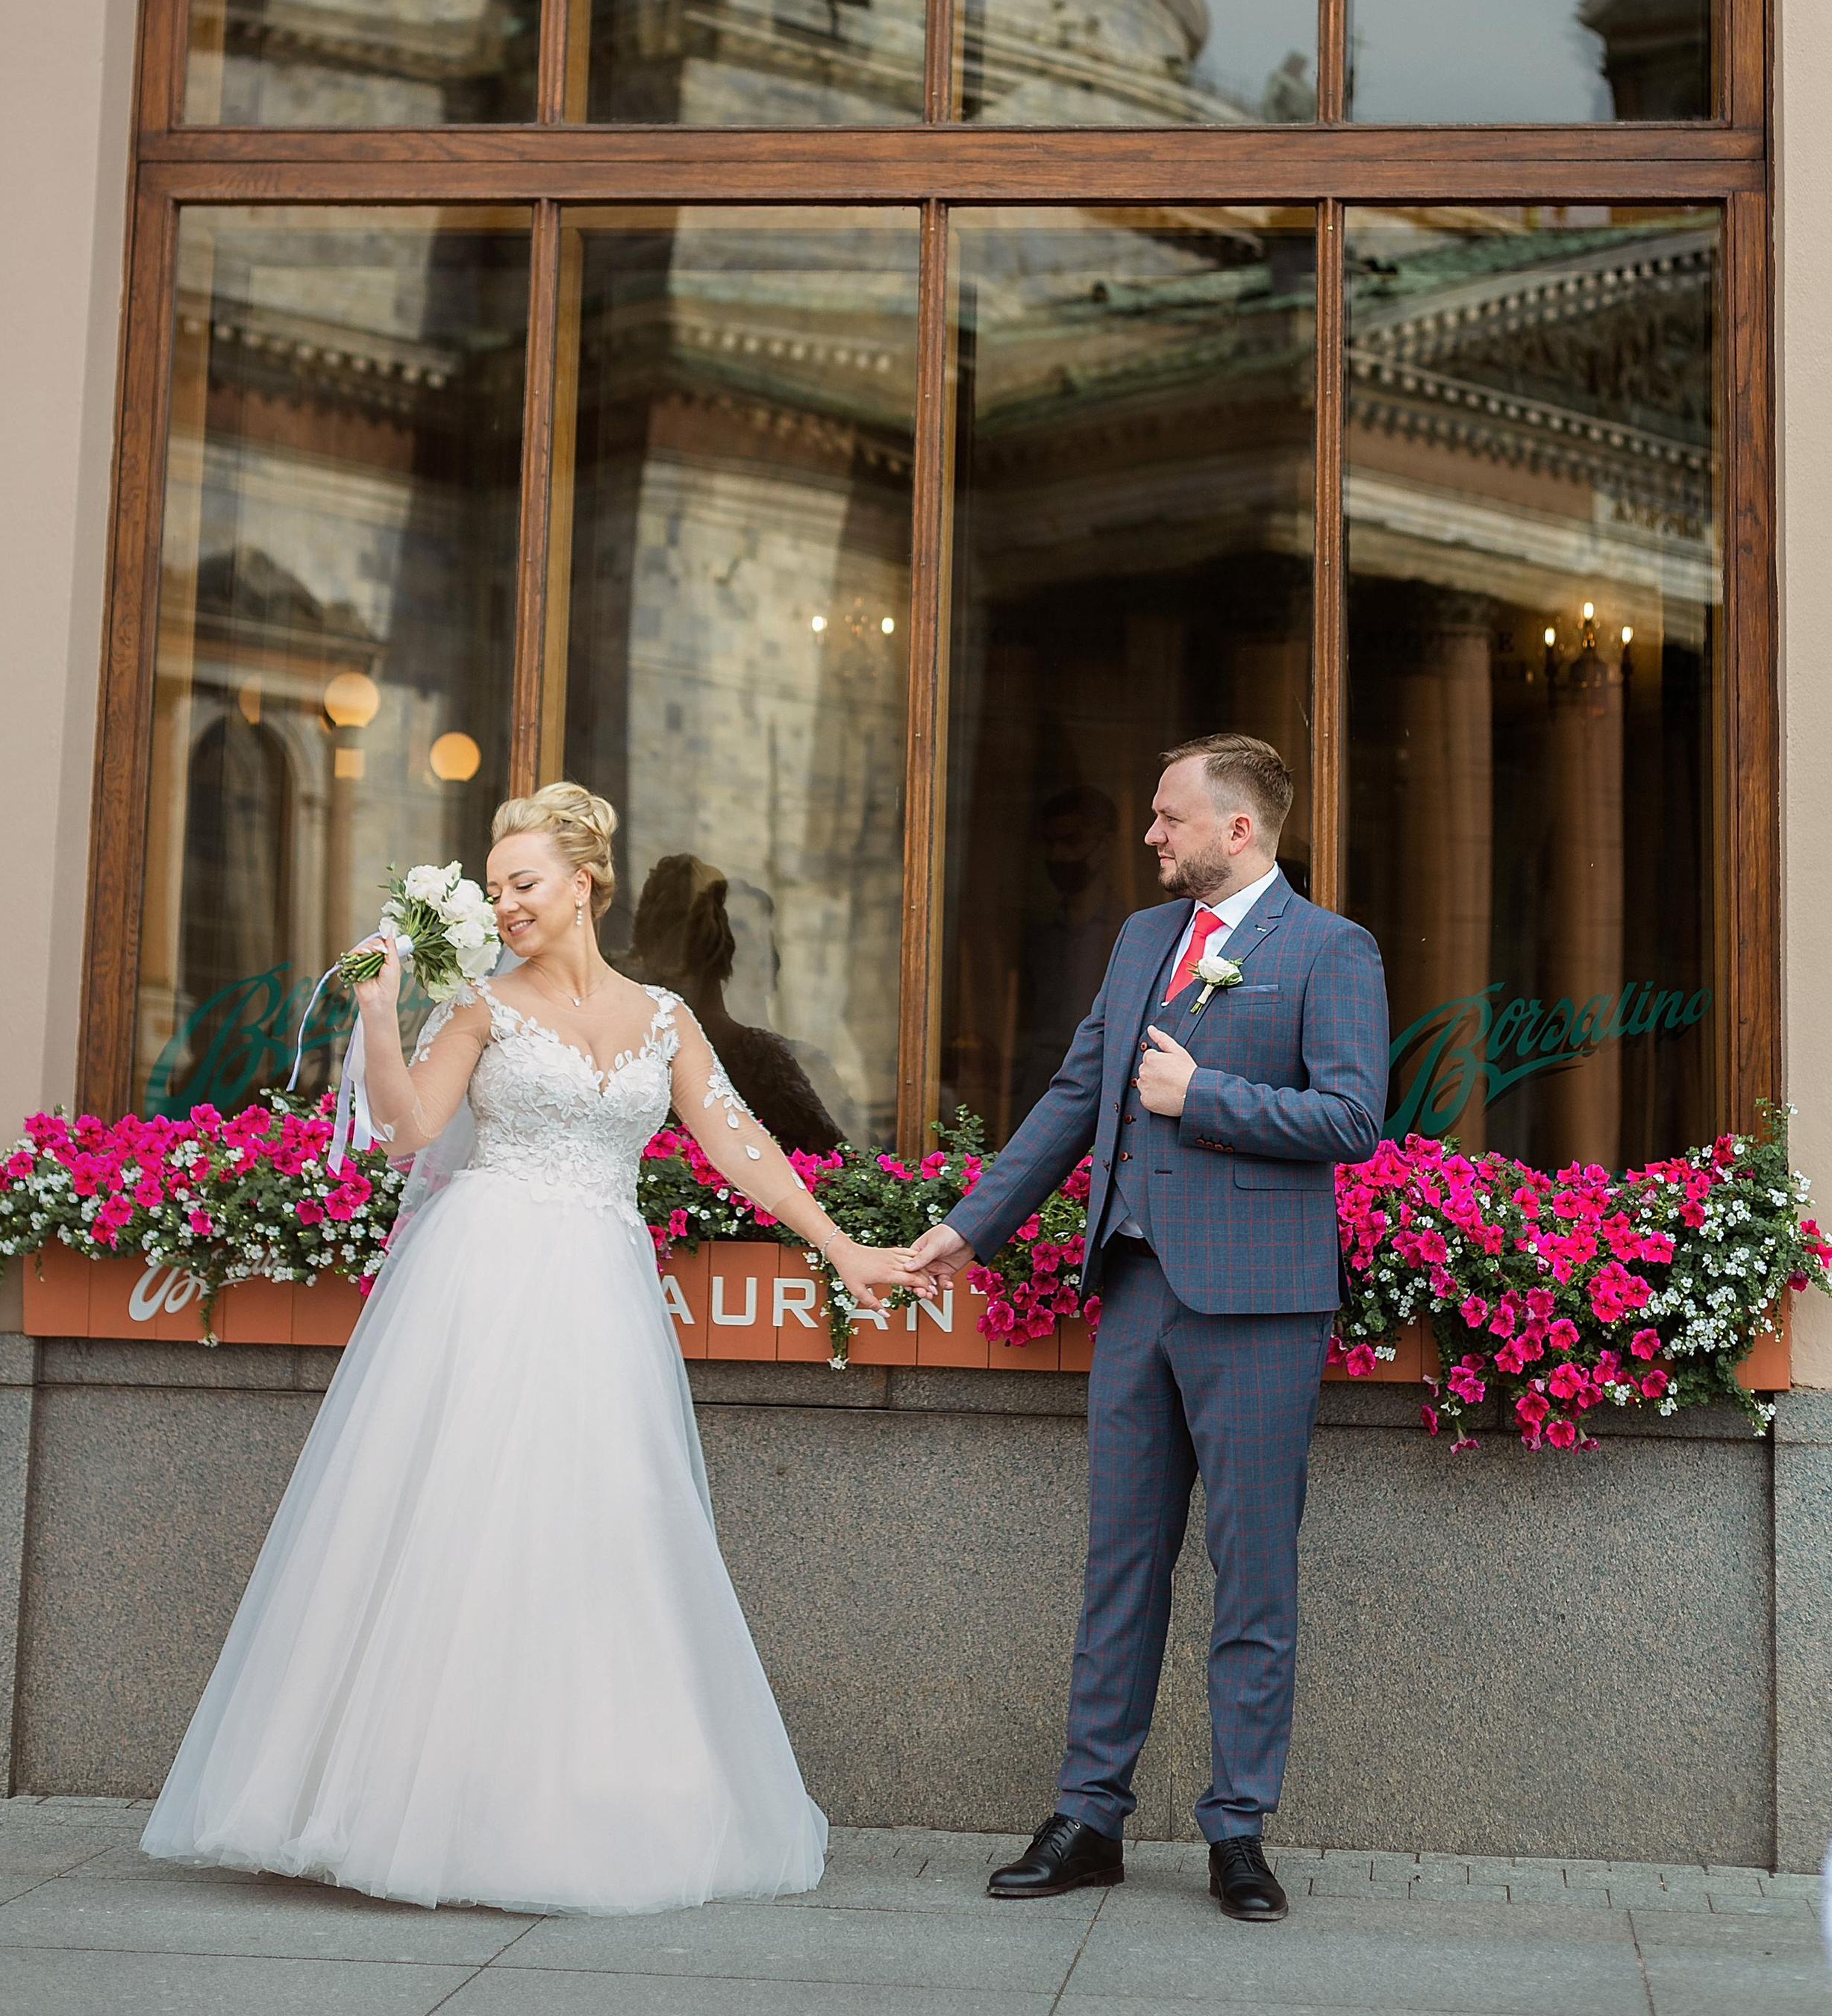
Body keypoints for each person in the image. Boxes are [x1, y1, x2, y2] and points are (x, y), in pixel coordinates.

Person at [143, 780, 929, 1915]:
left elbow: (740, 1142)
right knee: (457, 1525)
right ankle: (407, 1798)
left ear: (585, 885)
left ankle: (580, 1797)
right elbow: (408, 1131)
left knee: (600, 1529)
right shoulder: (477, 1005)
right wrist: (377, 1011)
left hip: (601, 1293)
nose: (504, 902)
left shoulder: (665, 1017)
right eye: (495, 885)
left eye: (524, 883)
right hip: (482, 1278)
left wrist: (840, 1247)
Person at [909, 733, 1388, 1925]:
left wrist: (1202, 1098)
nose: (1150, 835)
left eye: (1171, 817)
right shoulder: (1139, 941)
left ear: (1240, 830)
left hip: (1262, 1306)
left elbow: (1352, 1116)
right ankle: (1090, 1818)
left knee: (1252, 1573)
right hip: (1135, 1291)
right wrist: (969, 1230)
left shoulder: (1331, 949)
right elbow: (1078, 1094)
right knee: (1120, 1564)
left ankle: (1238, 1831)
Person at [628, 851, 844, 1156]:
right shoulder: (631, 1044)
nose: (747, 952)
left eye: (754, 938)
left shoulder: (793, 1064)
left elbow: (840, 1163)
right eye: (736, 933)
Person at [1010, 786, 1124, 1131]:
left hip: (1108, 1083)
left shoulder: (1131, 932)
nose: (1059, 856)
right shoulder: (1038, 934)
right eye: (1051, 843)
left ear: (1103, 847)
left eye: (1071, 842)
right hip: (1039, 1083)